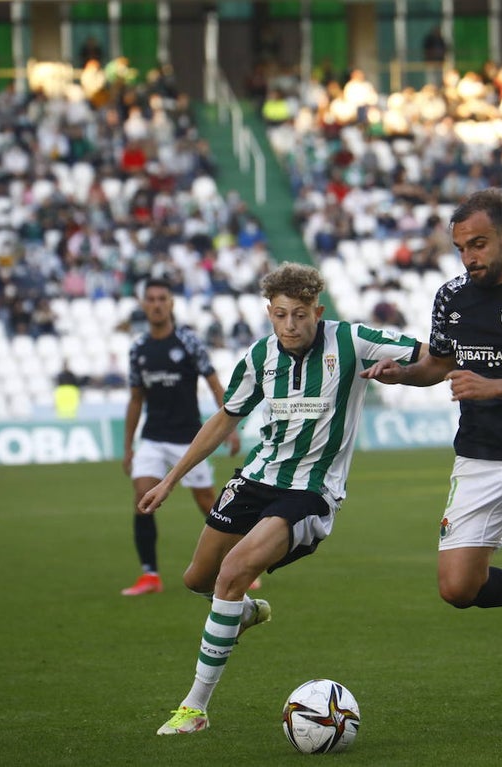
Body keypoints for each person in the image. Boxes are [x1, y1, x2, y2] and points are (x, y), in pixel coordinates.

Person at [139, 262, 423, 735]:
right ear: (269, 313)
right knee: (197, 580)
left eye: (300, 315)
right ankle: (244, 613)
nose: (290, 325)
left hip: (311, 490)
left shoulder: (351, 341)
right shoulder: (258, 357)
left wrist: (408, 373)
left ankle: (195, 708)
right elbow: (224, 420)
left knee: (232, 574)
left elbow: (430, 354)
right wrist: (170, 480)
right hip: (257, 477)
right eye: (280, 315)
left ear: (319, 310)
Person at [362, 188, 502, 727]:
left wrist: (491, 387)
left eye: (479, 245)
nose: (470, 258)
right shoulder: (451, 297)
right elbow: (438, 363)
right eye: (462, 248)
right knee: (457, 589)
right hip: (478, 457)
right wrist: (402, 373)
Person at [121, 278, 242, 596]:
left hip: (189, 439)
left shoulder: (189, 342)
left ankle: (237, 563)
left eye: (163, 298)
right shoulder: (138, 349)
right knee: (142, 499)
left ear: (171, 304)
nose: (157, 304)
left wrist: (229, 428)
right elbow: (136, 399)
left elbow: (215, 384)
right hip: (152, 438)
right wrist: (128, 447)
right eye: (151, 299)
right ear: (144, 305)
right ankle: (150, 575)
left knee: (208, 503)